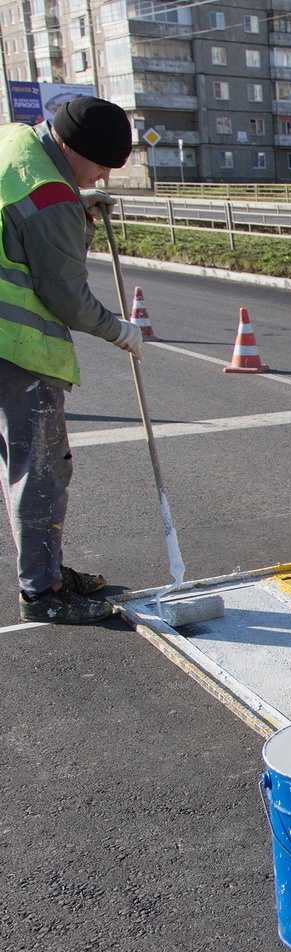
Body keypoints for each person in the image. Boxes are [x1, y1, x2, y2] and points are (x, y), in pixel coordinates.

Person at [0, 96, 144, 624]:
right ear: (71, 147)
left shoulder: (16, 143)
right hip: (11, 346)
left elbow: (20, 234)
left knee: (25, 464)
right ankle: (43, 593)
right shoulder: (51, 194)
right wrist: (119, 331)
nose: (104, 174)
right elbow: (65, 295)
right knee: (40, 468)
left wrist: (80, 208)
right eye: (103, 163)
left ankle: (47, 570)